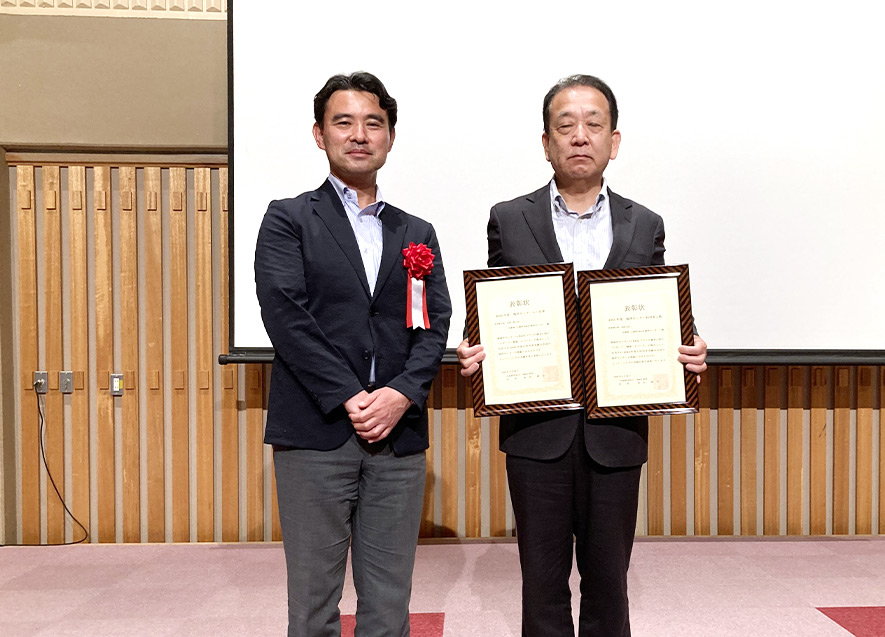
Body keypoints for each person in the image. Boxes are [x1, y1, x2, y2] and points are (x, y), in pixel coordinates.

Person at [457, 74, 707, 636]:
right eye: (565, 125)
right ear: (545, 142)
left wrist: (689, 345)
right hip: (535, 430)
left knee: (608, 584)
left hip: (615, 434)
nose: (579, 136)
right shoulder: (509, 217)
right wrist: (476, 347)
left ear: (613, 142)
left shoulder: (645, 223)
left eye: (593, 125)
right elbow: (495, 308)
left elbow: (659, 310)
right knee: (541, 583)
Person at [255, 71, 451, 637]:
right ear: (320, 134)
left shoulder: (416, 231)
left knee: (389, 601)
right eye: (343, 122)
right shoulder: (288, 217)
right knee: (313, 601)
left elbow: (433, 323)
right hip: (314, 431)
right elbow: (286, 316)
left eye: (373, 123)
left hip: (397, 434)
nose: (359, 135)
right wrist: (349, 395)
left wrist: (400, 394)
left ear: (390, 137)